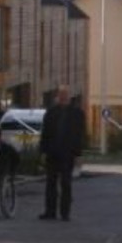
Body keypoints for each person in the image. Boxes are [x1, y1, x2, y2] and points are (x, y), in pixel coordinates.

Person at [39, 85, 87, 221]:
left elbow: (80, 136)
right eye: (61, 95)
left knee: (66, 184)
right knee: (50, 184)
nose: (63, 97)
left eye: (65, 95)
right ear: (57, 97)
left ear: (69, 97)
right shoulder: (51, 112)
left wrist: (78, 154)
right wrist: (43, 152)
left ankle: (65, 213)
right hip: (52, 153)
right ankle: (50, 211)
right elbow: (45, 133)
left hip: (68, 154)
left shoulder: (77, 113)